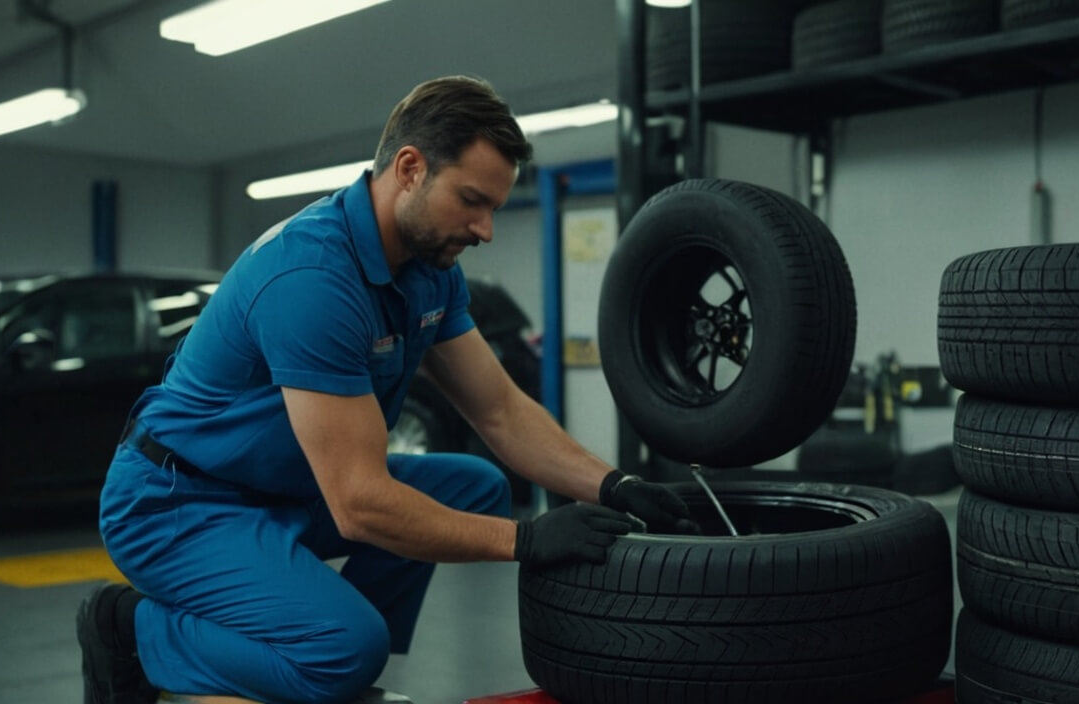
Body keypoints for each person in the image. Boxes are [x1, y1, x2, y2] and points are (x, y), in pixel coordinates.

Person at [77, 75, 698, 704]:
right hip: (179, 502)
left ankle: (315, 647)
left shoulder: (430, 270)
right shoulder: (312, 278)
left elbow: (501, 411)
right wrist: (527, 540)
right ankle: (133, 629)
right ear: (409, 168)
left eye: (494, 210)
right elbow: (359, 504)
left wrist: (616, 485)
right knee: (347, 649)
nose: (485, 230)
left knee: (475, 487)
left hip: (284, 485)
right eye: (471, 201)